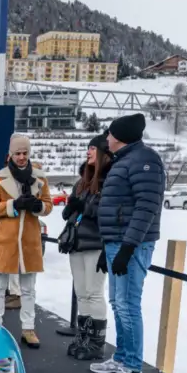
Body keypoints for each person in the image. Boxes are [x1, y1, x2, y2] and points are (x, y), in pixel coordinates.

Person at [93, 113, 164, 373]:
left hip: (131, 244)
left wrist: (128, 247)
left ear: (120, 136)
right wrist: (107, 247)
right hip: (116, 242)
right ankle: (122, 357)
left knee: (128, 304)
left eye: (110, 134)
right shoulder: (126, 161)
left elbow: (146, 208)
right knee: (117, 302)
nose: (107, 139)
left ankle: (134, 369)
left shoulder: (145, 161)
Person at [0, 134, 53, 349]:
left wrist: (37, 207)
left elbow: (48, 205)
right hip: (5, 242)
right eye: (18, 153)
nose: (22, 157)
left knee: (29, 290)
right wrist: (13, 205)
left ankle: (28, 329)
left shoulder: (40, 178)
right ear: (10, 155)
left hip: (29, 243)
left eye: (25, 153)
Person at [62, 135, 112, 361]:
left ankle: (96, 342)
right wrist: (71, 208)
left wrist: (86, 208)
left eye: (93, 148)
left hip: (96, 243)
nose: (88, 152)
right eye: (88, 148)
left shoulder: (110, 179)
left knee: (94, 292)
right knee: (82, 293)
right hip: (77, 242)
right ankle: (84, 336)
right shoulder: (82, 181)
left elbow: (109, 213)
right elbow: (72, 211)